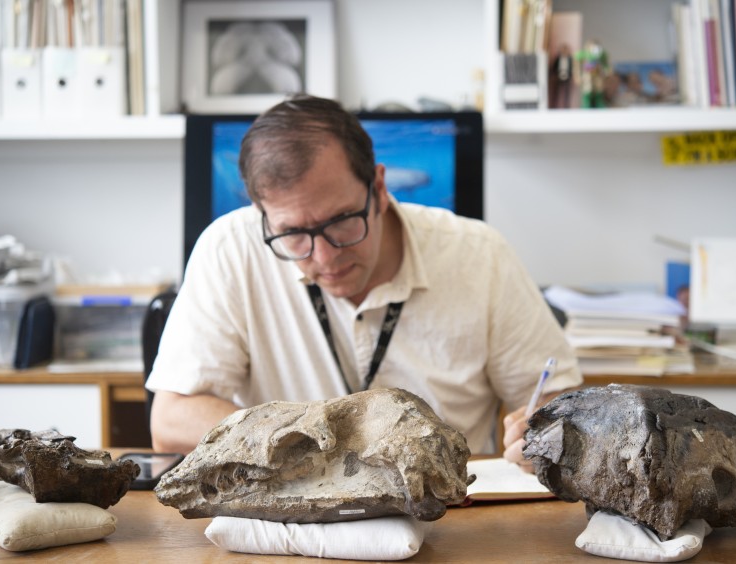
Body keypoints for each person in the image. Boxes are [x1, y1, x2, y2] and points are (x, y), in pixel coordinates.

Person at [146, 94, 582, 464]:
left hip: (449, 513)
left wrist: (541, 436)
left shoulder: (479, 254)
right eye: (293, 234)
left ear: (379, 188)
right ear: (262, 216)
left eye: (341, 220)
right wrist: (312, 439)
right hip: (289, 518)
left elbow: (559, 407)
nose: (325, 256)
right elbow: (171, 422)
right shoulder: (230, 247)